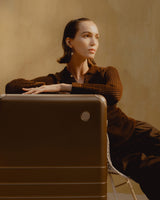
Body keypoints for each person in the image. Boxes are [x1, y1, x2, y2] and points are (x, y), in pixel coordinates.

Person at [5, 17, 160, 200]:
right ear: (69, 41)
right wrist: (53, 87)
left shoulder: (106, 72)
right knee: (153, 171)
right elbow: (12, 87)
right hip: (111, 148)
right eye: (86, 36)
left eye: (97, 37)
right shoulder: (55, 79)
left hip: (134, 131)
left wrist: (65, 88)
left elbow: (113, 93)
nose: (94, 42)